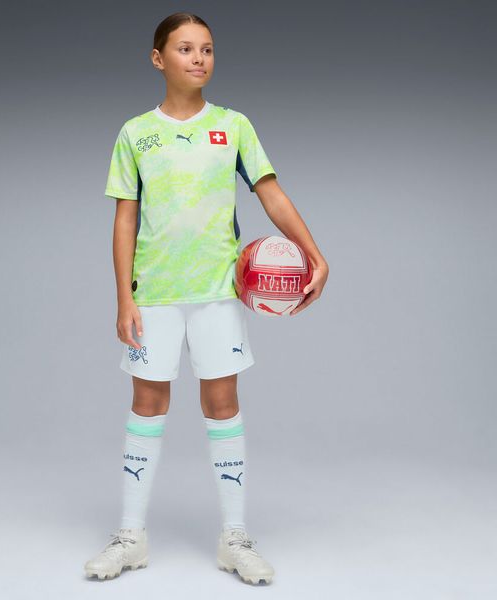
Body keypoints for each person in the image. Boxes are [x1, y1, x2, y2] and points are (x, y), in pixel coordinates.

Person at [84, 12, 329, 585]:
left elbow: (271, 193)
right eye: (185, 48)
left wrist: (314, 253)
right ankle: (130, 536)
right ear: (158, 58)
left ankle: (234, 538)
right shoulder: (135, 133)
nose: (198, 58)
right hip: (155, 295)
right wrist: (123, 299)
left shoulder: (233, 126)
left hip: (219, 292)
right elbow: (125, 220)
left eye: (208, 49)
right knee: (147, 403)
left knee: (222, 404)